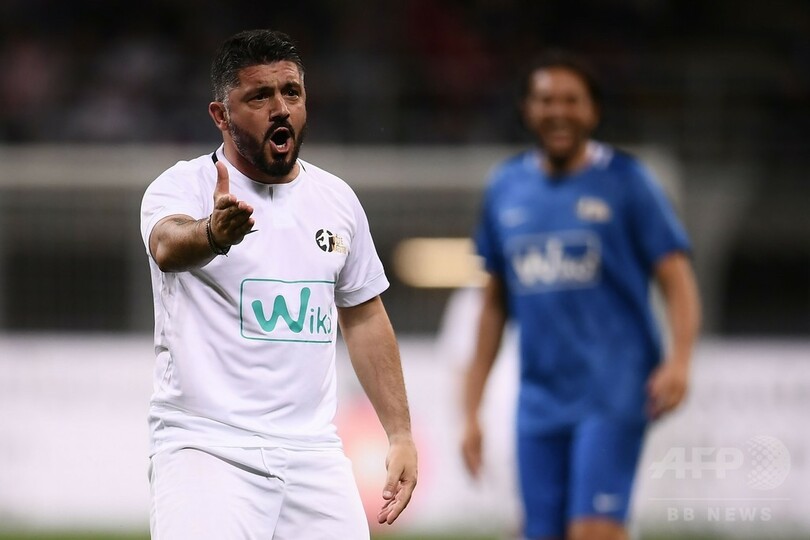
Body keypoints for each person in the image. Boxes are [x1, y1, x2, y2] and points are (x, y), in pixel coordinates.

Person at [140, 29, 417, 539]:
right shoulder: (182, 186)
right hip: (207, 447)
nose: (280, 108)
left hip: (314, 455)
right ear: (221, 115)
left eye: (291, 92)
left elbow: (364, 316)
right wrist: (212, 234)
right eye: (259, 96)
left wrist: (399, 433)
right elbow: (167, 245)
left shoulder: (337, 200)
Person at [461, 51, 701, 540]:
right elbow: (493, 305)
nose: (558, 111)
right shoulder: (506, 187)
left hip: (613, 389)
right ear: (527, 109)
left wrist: (680, 360)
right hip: (539, 399)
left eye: (571, 100)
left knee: (593, 531)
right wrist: (471, 410)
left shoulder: (627, 181)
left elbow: (677, 277)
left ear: (593, 111)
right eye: (546, 100)